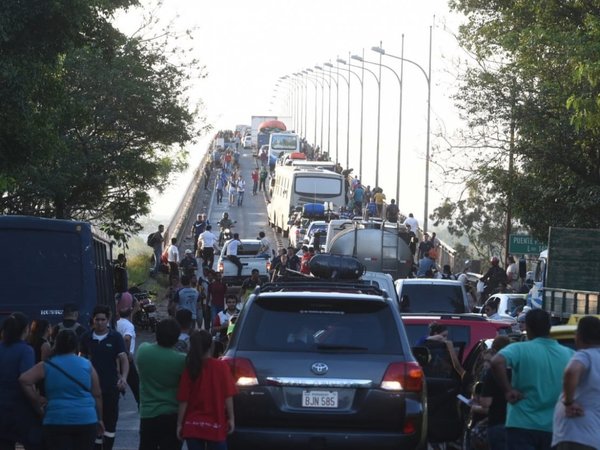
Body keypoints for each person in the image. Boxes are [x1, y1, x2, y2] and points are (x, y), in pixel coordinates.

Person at [491, 309, 574, 450]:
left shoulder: (518, 349)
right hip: (554, 426)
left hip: (521, 423)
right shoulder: (569, 354)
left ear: (528, 328)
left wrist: (508, 390)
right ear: (550, 328)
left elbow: (496, 362)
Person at [19, 329, 103, 450]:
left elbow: (24, 380)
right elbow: (97, 394)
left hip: (56, 419)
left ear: (56, 344)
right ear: (76, 345)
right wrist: (100, 419)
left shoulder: (47, 365)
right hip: (86, 419)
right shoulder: (87, 365)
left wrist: (37, 401)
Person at [176, 330, 237, 449]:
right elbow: (228, 395)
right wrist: (231, 418)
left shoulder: (190, 368)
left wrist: (179, 424)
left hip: (193, 425)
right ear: (211, 345)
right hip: (216, 425)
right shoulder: (221, 367)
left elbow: (184, 400)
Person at [79, 305, 129, 450]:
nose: (100, 322)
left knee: (110, 423)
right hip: (91, 389)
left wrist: (124, 378)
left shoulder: (115, 337)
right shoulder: (86, 337)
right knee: (94, 423)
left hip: (110, 388)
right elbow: (81, 359)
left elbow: (124, 358)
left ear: (108, 320)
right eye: (97, 319)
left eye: (103, 319)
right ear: (93, 320)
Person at [136, 319, 187, 450]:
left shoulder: (143, 351)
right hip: (172, 414)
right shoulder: (181, 360)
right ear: (176, 338)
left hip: (148, 413)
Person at [552, 315, 600, 450]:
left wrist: (569, 402)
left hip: (576, 434)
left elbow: (571, 371)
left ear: (578, 335)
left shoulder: (585, 354)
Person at [0, 312, 43, 450]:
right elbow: (26, 381)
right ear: (26, 329)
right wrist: (37, 405)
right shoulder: (26, 351)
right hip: (20, 409)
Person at [116, 306, 140, 409]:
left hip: (117, 358)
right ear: (131, 314)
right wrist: (127, 353)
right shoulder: (128, 325)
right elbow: (127, 338)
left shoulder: (117, 323)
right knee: (135, 384)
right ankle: (141, 404)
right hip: (125, 359)